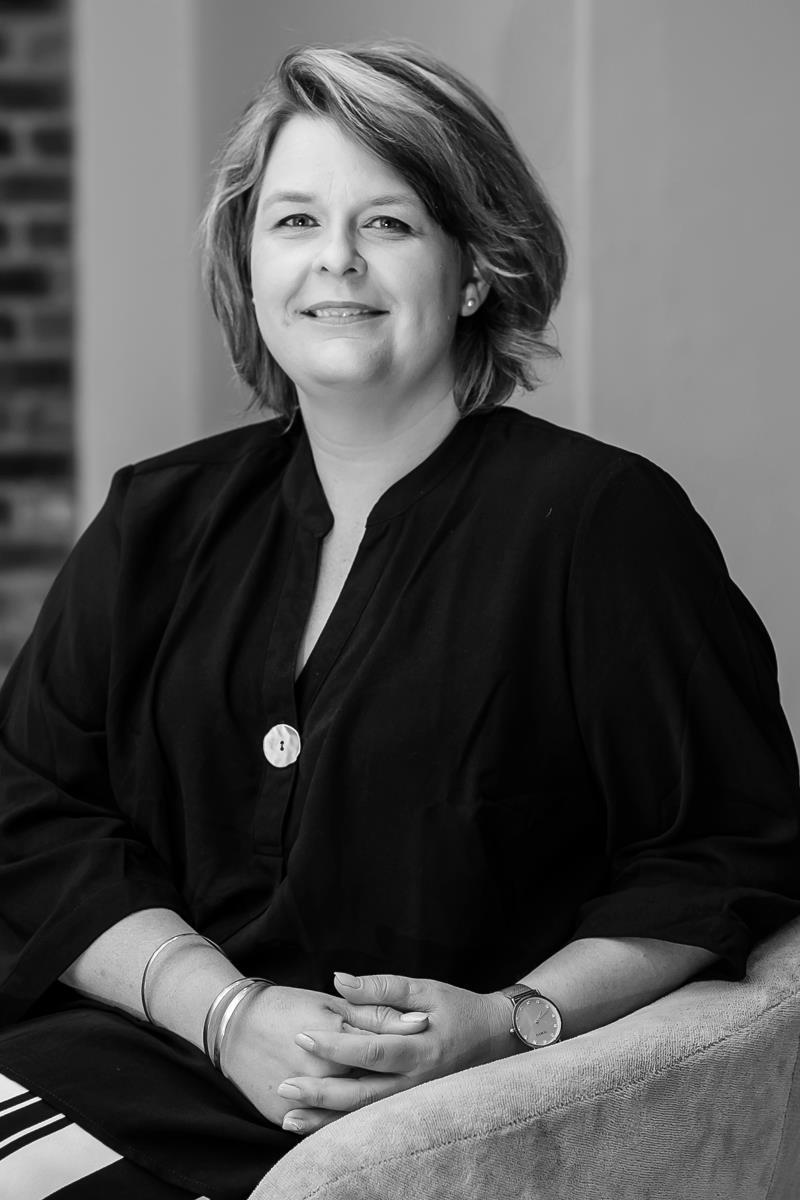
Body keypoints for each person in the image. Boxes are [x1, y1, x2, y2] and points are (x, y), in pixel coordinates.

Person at [0, 39, 799, 1200]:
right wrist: (222, 1009)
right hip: (112, 1057)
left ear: (472, 270)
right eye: (294, 222)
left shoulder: (599, 524)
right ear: (248, 261)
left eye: (386, 223)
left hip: (384, 1138)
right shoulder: (155, 516)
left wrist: (510, 1019)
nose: (335, 259)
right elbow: (27, 811)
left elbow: (722, 851)